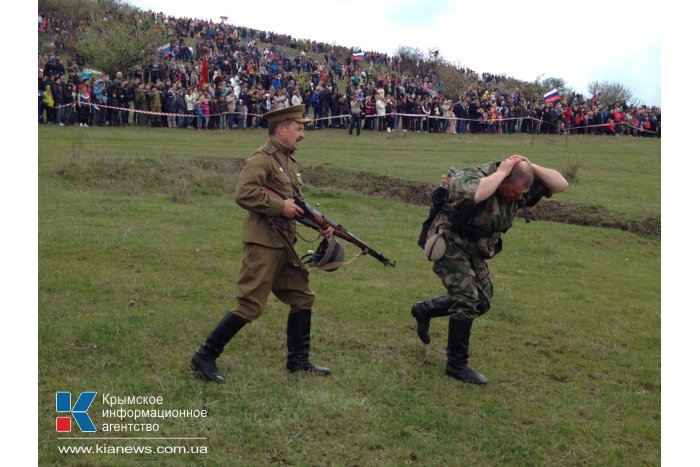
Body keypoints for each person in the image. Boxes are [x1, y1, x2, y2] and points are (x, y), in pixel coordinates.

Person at [190, 104, 333, 383]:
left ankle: (298, 361)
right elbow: (244, 193)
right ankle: (205, 356)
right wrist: (280, 206)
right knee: (250, 305)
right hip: (264, 244)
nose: (302, 135)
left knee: (303, 297)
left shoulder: (288, 161)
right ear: (282, 129)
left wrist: (321, 226)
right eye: (298, 128)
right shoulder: (262, 158)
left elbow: (297, 206)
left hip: (285, 243)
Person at [412, 155, 568, 384]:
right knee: (466, 299)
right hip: (450, 240)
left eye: (523, 194)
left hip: (476, 247)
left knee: (482, 300)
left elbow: (561, 184)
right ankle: (456, 365)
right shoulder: (473, 178)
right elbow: (477, 194)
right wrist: (502, 172)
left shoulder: (518, 183)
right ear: (504, 180)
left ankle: (425, 310)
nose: (520, 198)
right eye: (516, 192)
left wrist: (528, 166)